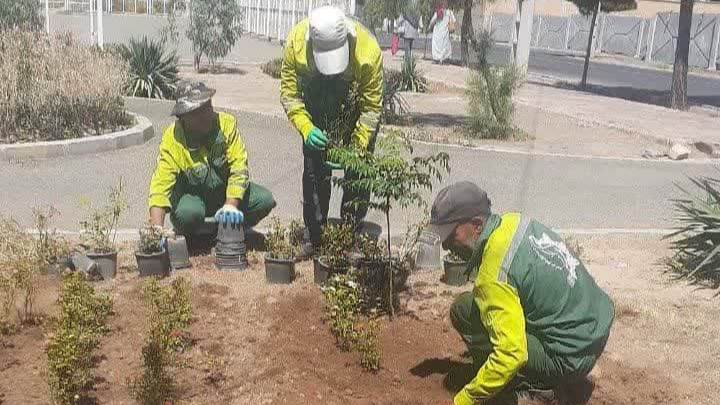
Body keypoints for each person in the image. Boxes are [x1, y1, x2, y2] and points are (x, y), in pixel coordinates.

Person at [426, 182, 614, 405]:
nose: (446, 246)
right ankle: (553, 375)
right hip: (593, 330)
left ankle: (536, 388)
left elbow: (511, 354)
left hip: (569, 355)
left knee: (467, 312)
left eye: (451, 235)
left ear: (476, 225)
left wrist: (465, 399)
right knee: (484, 310)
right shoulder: (513, 223)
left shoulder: (493, 276)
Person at [280, 5, 383, 258]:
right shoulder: (295, 44)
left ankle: (349, 236)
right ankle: (314, 237)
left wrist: (357, 146)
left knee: (358, 175)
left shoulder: (368, 52)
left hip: (355, 113)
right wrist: (306, 128)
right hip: (316, 114)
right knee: (315, 174)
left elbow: (371, 108)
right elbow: (290, 96)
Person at [148, 80, 276, 240]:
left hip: (224, 196)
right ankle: (192, 233)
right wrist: (156, 230)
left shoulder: (226, 125)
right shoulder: (173, 138)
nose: (206, 115)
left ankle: (227, 229)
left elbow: (239, 168)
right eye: (197, 112)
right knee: (188, 214)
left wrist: (231, 205)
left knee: (264, 200)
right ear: (183, 117)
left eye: (207, 107)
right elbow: (160, 185)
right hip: (193, 200)